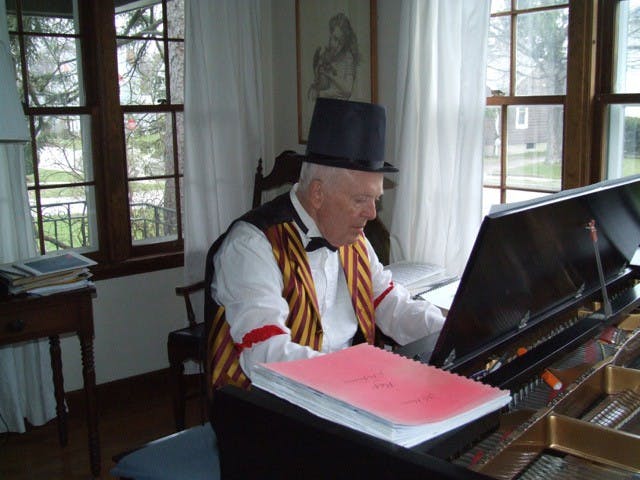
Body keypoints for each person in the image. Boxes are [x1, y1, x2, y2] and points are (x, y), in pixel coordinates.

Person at [208, 98, 444, 390]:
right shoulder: (251, 246)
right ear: (318, 193)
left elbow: (391, 304)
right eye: (360, 199)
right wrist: (354, 375)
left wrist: (449, 330)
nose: (372, 213)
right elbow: (265, 355)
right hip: (269, 412)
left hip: (345, 396)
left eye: (375, 199)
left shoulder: (354, 238)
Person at [307, 12, 359, 101]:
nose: (336, 45)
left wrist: (330, 76)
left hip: (341, 109)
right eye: (334, 38)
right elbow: (319, 86)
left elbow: (347, 90)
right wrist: (315, 88)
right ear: (330, 35)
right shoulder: (324, 55)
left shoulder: (348, 58)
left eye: (340, 42)